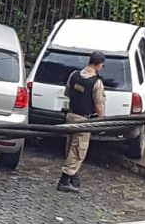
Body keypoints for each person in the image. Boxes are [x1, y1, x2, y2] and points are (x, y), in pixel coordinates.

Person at [57, 51, 106, 193]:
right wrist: (102, 120)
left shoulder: (74, 75)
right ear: (98, 66)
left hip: (71, 116)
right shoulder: (96, 82)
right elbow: (98, 104)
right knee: (78, 150)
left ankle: (73, 176)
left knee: (70, 147)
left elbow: (67, 93)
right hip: (84, 119)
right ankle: (64, 180)